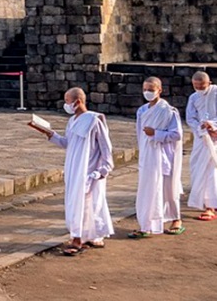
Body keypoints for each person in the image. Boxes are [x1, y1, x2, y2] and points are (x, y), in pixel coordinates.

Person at [31, 87, 114, 255]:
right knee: (78, 204)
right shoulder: (72, 121)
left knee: (87, 204)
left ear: (78, 101)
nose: (66, 104)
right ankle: (86, 235)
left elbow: (106, 148)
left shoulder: (93, 120)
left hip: (89, 170)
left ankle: (77, 238)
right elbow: (68, 143)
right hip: (73, 169)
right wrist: (50, 134)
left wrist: (102, 170)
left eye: (68, 101)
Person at [130, 77, 183, 237]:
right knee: (147, 189)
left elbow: (177, 134)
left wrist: (156, 134)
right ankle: (146, 224)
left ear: (160, 90)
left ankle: (176, 219)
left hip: (163, 156)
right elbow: (140, 134)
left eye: (151, 89)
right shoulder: (142, 111)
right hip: (147, 156)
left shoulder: (169, 111)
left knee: (168, 189)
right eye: (145, 89)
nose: (148, 92)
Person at [186, 71, 217, 221]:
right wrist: (203, 129)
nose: (199, 88)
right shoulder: (193, 97)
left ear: (209, 83)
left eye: (202, 86)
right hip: (202, 138)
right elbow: (190, 118)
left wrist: (214, 126)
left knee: (212, 170)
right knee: (197, 168)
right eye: (196, 86)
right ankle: (215, 194)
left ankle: (211, 207)